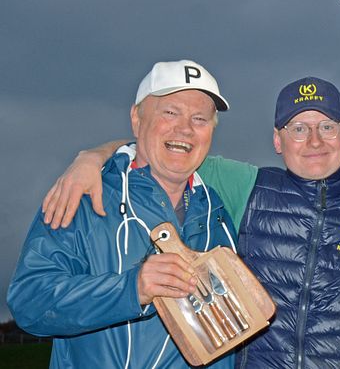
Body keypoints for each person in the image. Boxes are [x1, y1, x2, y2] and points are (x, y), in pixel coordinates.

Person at [41, 76, 340, 368]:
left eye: (326, 126)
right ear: (278, 141)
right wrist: (94, 157)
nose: (314, 141)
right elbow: (165, 149)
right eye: (298, 128)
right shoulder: (245, 185)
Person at [7, 60, 238, 368]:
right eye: (170, 112)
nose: (185, 128)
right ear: (136, 118)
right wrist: (131, 289)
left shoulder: (216, 211)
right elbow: (29, 302)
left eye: (200, 118)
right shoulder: (84, 198)